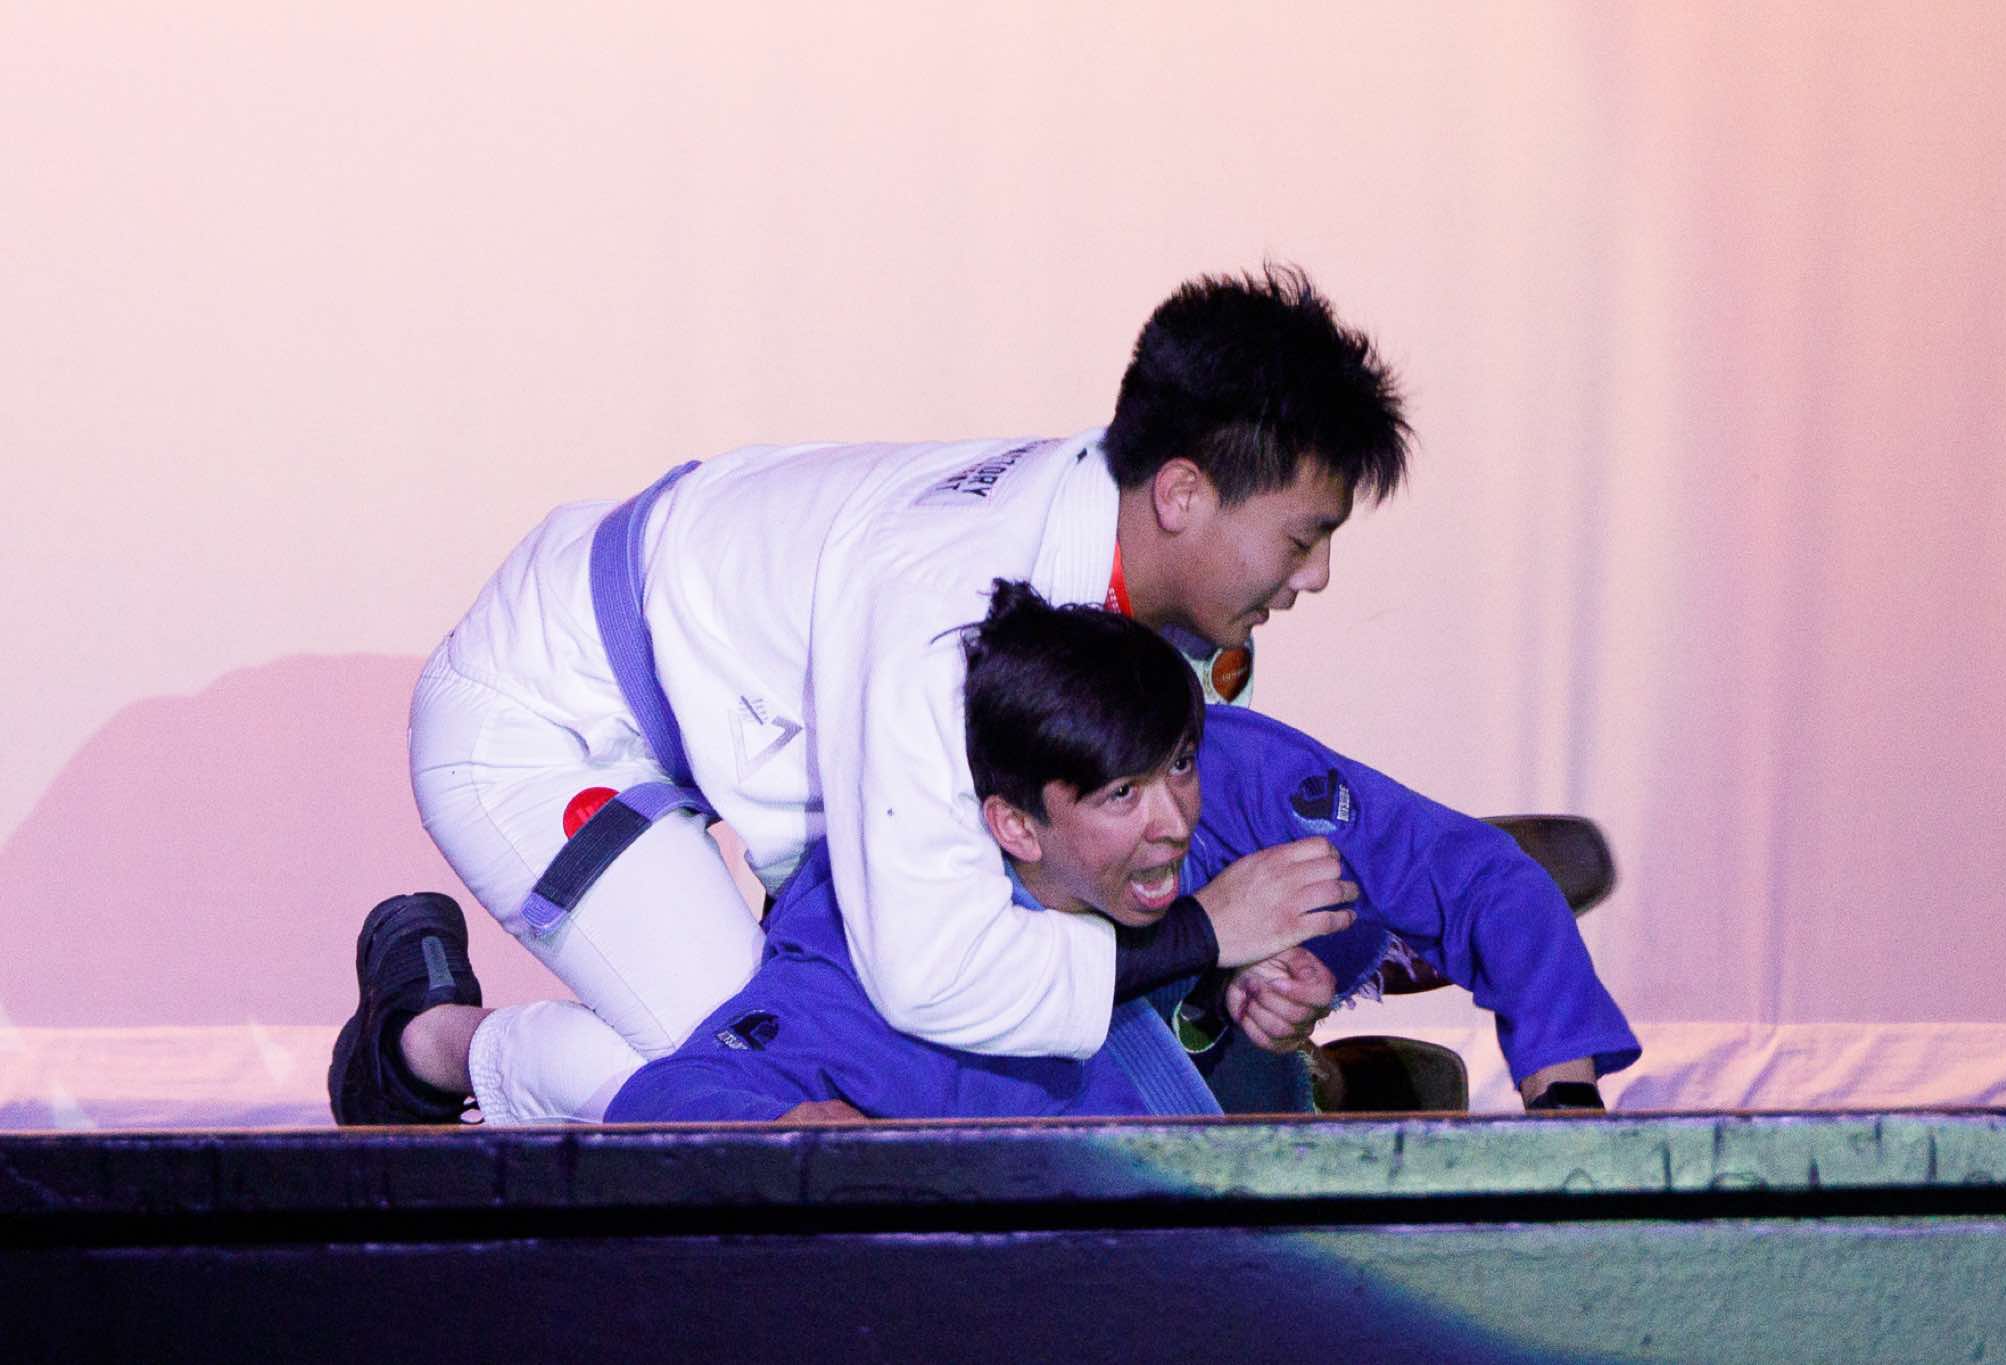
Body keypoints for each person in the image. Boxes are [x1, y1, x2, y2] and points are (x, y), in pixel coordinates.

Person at [331, 265, 1412, 1124]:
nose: (1317, 575)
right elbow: (929, 973)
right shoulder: (952, 610)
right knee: (745, 1091)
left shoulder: (1135, 572)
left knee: (861, 1066)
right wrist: (1203, 937)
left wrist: (1263, 966)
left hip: (708, 703)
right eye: (1303, 538)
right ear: (1181, 492)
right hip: (544, 721)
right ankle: (424, 1047)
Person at [605, 583, 1640, 1123]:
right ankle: (1323, 1078)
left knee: (1400, 889)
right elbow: (671, 1095)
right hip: (1166, 1134)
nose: (1170, 817)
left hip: (1271, 928)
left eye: (1175, 768)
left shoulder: (1228, 772)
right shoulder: (866, 941)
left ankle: (1347, 979)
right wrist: (796, 1127)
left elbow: (1486, 881)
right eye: (1119, 796)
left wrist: (1566, 1104)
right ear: (1015, 824)